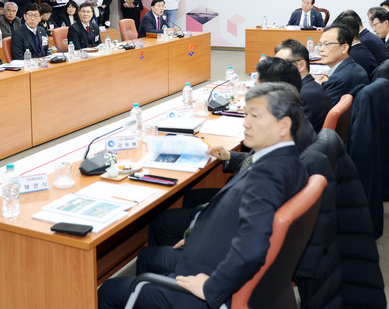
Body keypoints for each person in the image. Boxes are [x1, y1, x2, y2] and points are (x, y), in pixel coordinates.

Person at [98, 82, 308, 309]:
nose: (245, 123)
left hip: (205, 287)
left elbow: (252, 247)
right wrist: (195, 236)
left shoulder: (268, 177)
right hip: (212, 258)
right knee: (148, 257)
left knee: (107, 291)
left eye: (255, 116)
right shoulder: (286, 161)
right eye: (246, 114)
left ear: (283, 125)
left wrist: (211, 288)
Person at [274, 39, 333, 132]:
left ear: (301, 65)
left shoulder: (303, 95)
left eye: (283, 63)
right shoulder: (308, 87)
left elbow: (290, 132)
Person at [315, 24, 369, 104]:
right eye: (320, 44)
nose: (321, 49)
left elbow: (322, 108)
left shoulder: (338, 79)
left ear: (344, 48)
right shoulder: (354, 67)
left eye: (327, 44)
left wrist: (323, 85)